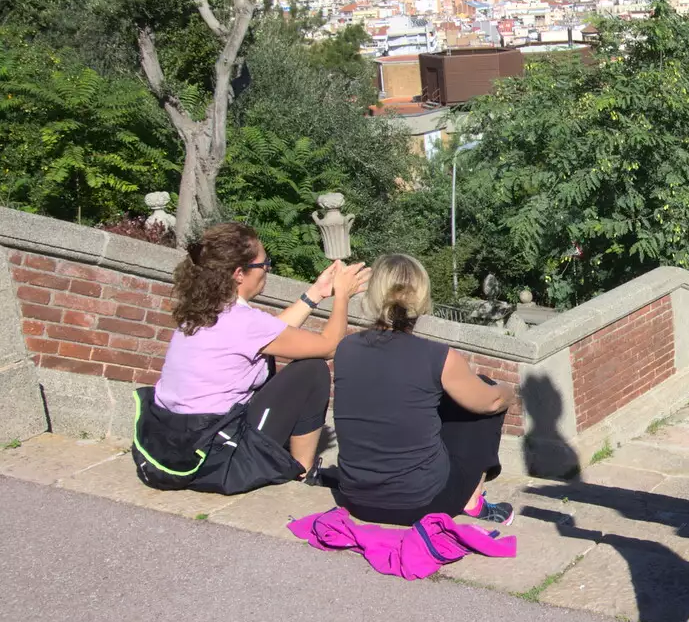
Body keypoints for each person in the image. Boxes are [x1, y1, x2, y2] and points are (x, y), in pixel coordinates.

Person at [145, 222, 367, 485]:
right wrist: (343, 295)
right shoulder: (244, 322)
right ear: (240, 273)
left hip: (170, 446)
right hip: (214, 458)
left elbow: (271, 334)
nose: (267, 269)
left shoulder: (204, 312)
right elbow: (329, 345)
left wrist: (316, 293)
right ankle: (304, 474)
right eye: (265, 264)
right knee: (313, 370)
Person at [330, 253, 518, 527]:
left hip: (355, 499)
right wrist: (508, 390)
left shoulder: (345, 349)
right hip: (421, 504)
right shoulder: (438, 356)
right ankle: (472, 502)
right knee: (487, 390)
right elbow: (491, 402)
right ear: (421, 298)